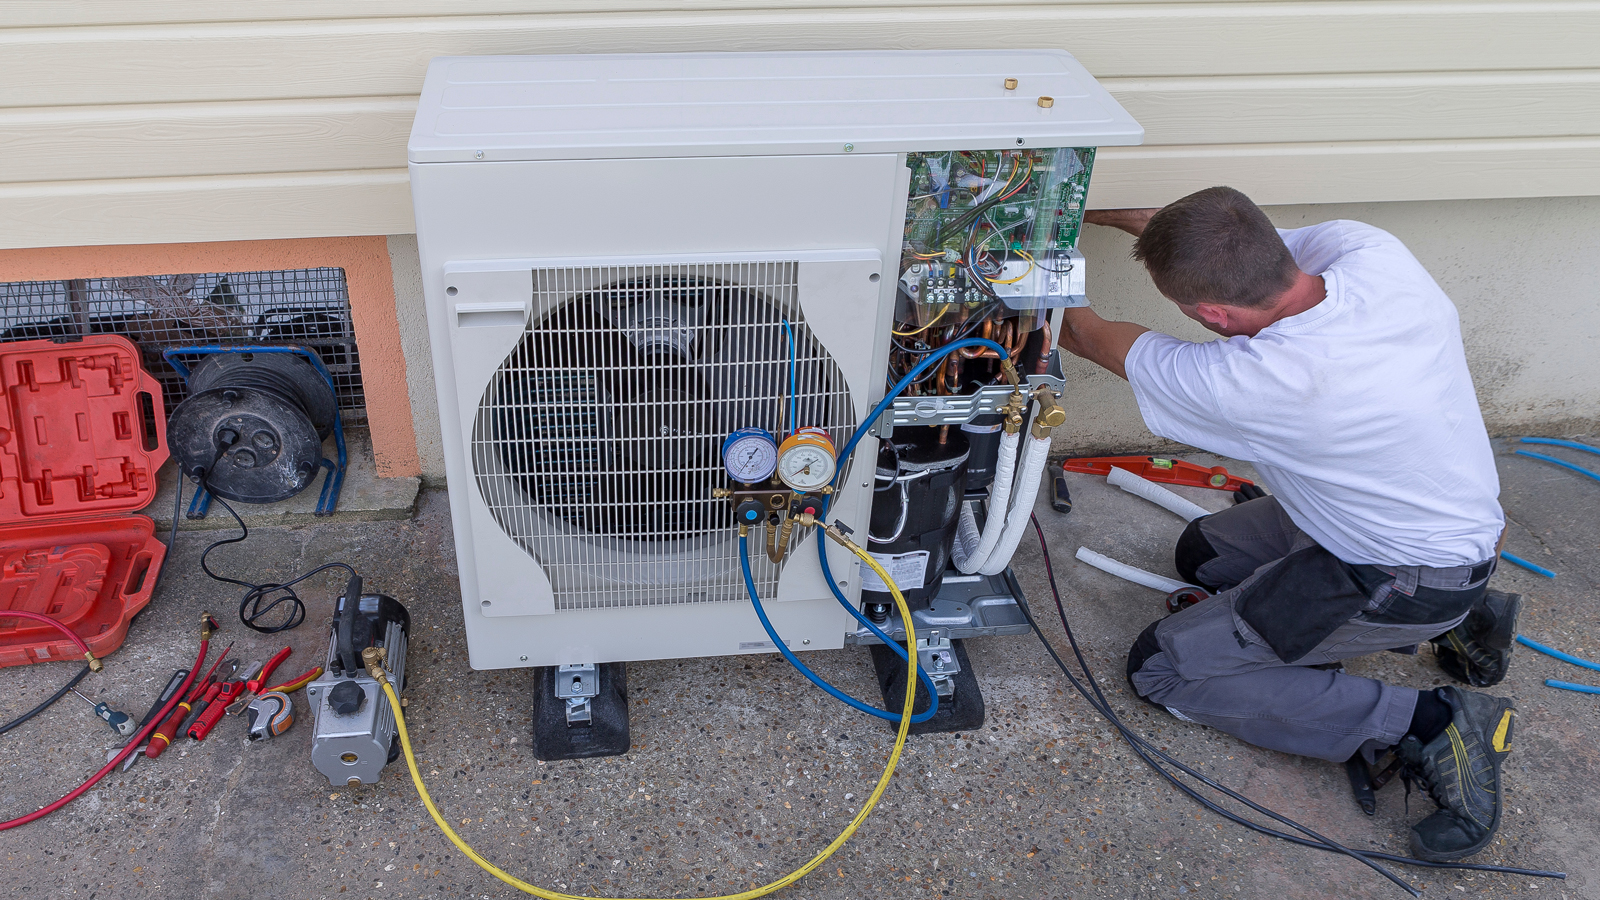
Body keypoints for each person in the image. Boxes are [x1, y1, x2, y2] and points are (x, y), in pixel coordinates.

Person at [1057, 186, 1520, 862]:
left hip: (1397, 572)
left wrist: (1040, 243)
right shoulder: (1371, 254)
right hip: (1430, 522)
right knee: (1203, 555)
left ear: (1211, 312)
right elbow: (1186, 230)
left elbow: (1077, 331)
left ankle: (1432, 722)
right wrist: (1068, 208)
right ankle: (1468, 614)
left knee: (1165, 668)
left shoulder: (1268, 379)